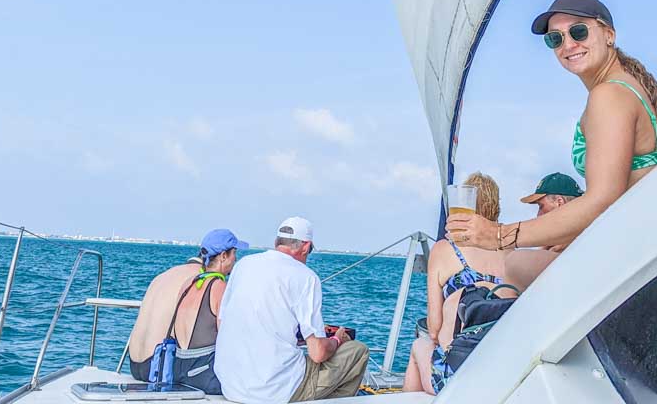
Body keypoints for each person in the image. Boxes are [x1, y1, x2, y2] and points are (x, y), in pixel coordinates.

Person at [448, 0, 657, 290]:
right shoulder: (632, 88)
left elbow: (603, 198)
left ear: (608, 34)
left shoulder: (609, 96)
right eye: (555, 39)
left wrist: (499, 235)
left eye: (579, 31)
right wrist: (566, 235)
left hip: (629, 251)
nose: (568, 44)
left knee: (515, 264)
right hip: (645, 238)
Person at [215, 216, 369, 403]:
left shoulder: (243, 265)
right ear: (306, 247)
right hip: (273, 391)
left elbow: (222, 322)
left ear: (276, 242)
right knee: (358, 351)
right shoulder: (306, 277)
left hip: (231, 385)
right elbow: (318, 354)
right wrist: (337, 339)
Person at [403, 172, 513, 395]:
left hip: (456, 375)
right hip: (503, 373)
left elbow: (434, 330)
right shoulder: (512, 252)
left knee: (420, 346)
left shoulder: (445, 249)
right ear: (496, 207)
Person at [126, 228, 248, 393]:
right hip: (158, 367)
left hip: (134, 364)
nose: (236, 260)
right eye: (234, 254)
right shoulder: (198, 280)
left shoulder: (164, 275)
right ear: (223, 256)